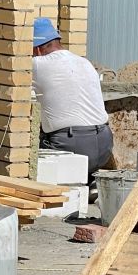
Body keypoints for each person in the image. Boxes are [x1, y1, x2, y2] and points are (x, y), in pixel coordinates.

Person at [31, 17, 114, 179]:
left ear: (38, 50)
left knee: (30, 149)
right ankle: (89, 182)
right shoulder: (84, 62)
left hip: (71, 146)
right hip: (104, 145)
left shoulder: (37, 65)